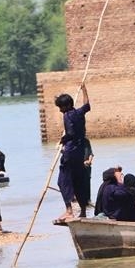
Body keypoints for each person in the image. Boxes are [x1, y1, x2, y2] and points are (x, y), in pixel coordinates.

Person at [55, 83, 91, 222]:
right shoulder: (79, 112)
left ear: (66, 106)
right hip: (80, 152)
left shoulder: (68, 115)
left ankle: (69, 210)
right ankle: (82, 211)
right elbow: (87, 104)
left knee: (62, 181)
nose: (60, 110)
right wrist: (84, 89)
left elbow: (70, 133)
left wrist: (62, 140)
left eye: (60, 107)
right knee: (78, 181)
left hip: (70, 152)